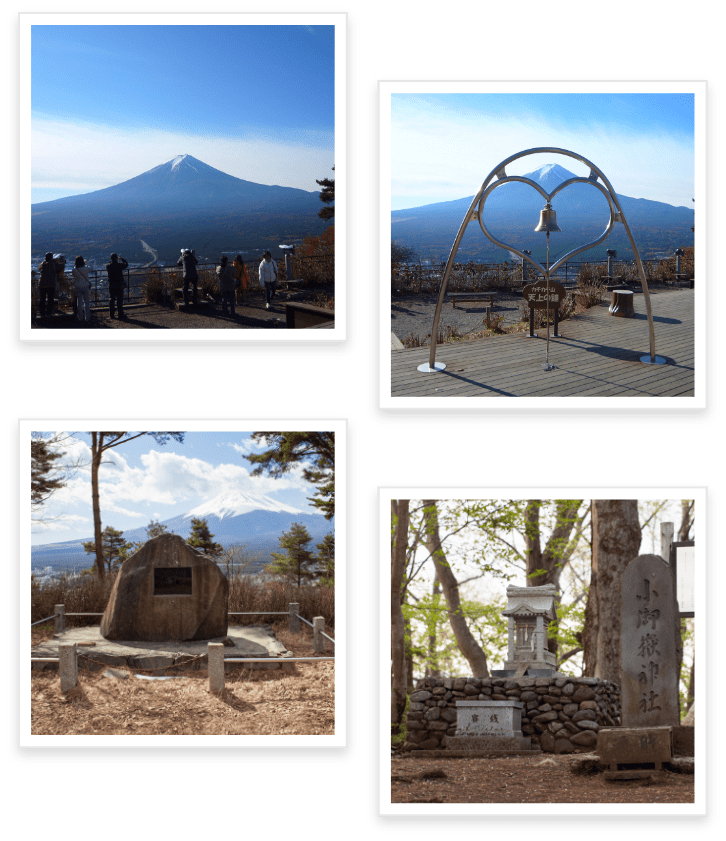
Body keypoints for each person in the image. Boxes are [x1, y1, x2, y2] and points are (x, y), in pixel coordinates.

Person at [106, 253, 128, 319]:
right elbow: (126, 264)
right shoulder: (119, 265)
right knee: (119, 299)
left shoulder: (108, 266)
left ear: (111, 259)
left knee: (112, 299)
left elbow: (109, 264)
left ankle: (111, 314)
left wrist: (111, 261)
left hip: (112, 285)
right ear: (117, 258)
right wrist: (122, 259)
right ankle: (120, 313)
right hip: (119, 284)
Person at [72, 256, 92, 323]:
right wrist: (87, 263)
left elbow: (73, 274)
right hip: (85, 286)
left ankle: (80, 317)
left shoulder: (74, 270)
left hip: (78, 286)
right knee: (86, 303)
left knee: (79, 303)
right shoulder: (86, 268)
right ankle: (87, 317)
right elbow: (91, 268)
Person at [37, 252, 56, 317]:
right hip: (50, 284)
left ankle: (42, 312)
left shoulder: (42, 263)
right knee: (50, 299)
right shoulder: (53, 263)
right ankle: (49, 312)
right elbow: (61, 266)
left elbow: (39, 268)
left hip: (42, 283)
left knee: (42, 299)